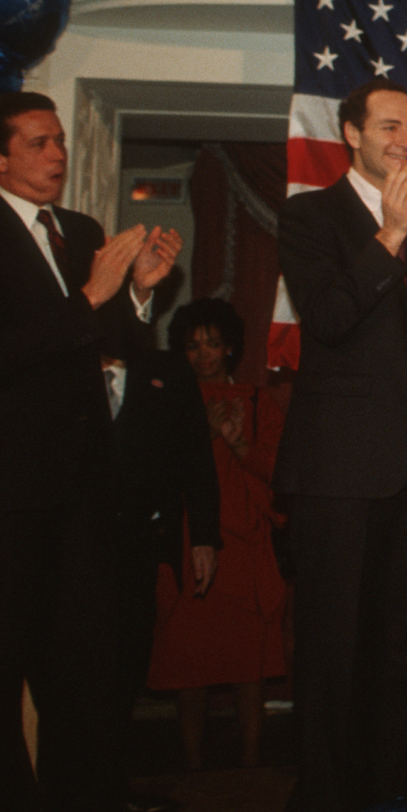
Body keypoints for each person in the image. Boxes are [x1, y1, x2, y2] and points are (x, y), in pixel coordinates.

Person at [0, 91, 181, 812]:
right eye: (38, 143)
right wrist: (93, 295)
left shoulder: (81, 233)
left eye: (60, 140)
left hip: (80, 494)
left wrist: (138, 291)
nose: (57, 155)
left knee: (82, 668)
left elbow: (112, 339)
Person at [274, 78, 407, 812]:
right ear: (351, 134)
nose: (406, 140)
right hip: (337, 469)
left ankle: (403, 800)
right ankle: (325, 808)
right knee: (333, 646)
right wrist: (388, 237)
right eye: (390, 126)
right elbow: (327, 318)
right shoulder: (310, 216)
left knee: (405, 646)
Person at [146, 298, 288, 771]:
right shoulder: (167, 400)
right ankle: (192, 765)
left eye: (212, 343)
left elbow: (280, 473)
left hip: (246, 546)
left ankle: (251, 763)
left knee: (248, 662)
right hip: (191, 543)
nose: (203, 354)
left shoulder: (256, 400)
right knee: (190, 660)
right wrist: (204, 433)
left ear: (230, 347)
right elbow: (156, 472)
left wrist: (237, 441)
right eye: (192, 345)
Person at [103, 335, 218, 812]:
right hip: (72, 545)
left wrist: (204, 537)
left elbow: (196, 454)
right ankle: (69, 793)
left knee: (127, 663)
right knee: (77, 671)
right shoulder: (62, 360)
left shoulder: (165, 370)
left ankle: (110, 788)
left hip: (139, 542)